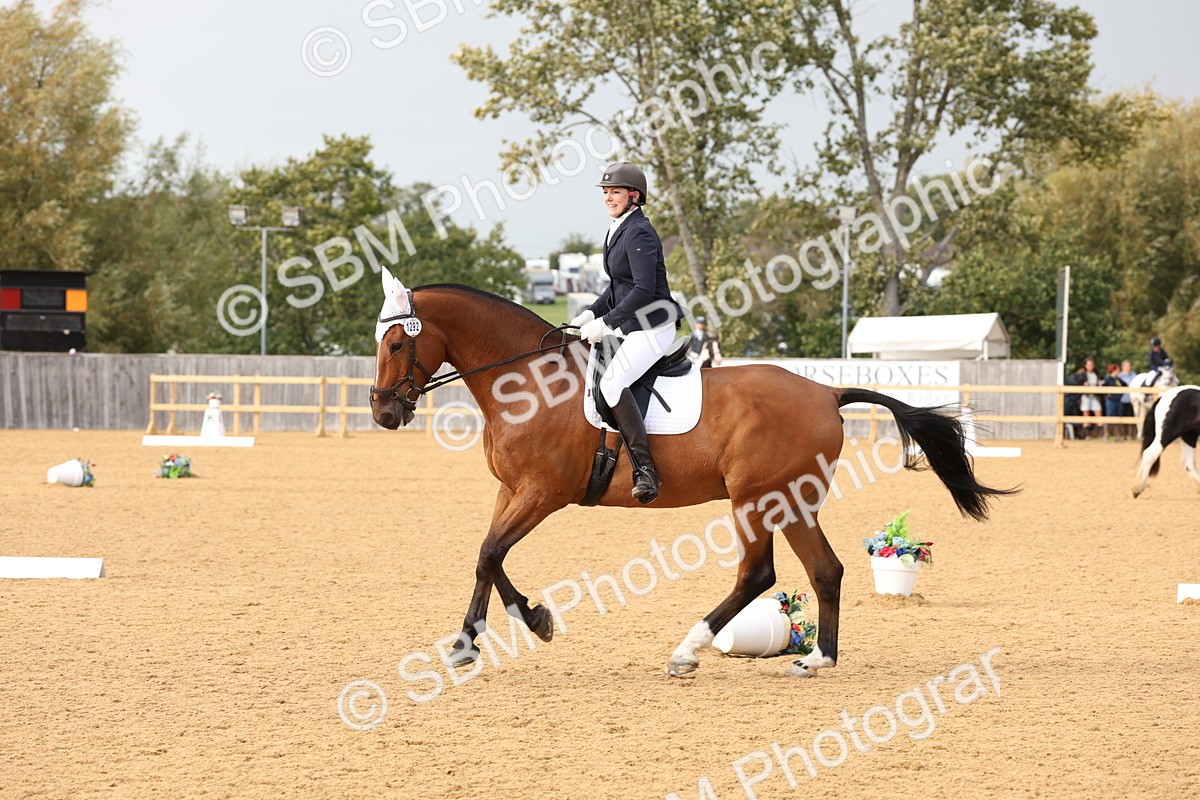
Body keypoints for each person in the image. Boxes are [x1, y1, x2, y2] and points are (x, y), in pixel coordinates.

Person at [569, 162, 683, 504]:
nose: (608, 198)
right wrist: (589, 313)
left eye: (615, 192)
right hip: (633, 326)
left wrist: (605, 324)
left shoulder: (639, 232)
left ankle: (645, 469)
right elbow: (618, 287)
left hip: (654, 324)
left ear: (634, 196)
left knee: (612, 382)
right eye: (605, 193)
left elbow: (644, 290)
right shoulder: (616, 229)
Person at [1078, 357, 1102, 439]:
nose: (1090, 366)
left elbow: (1102, 382)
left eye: (1091, 364)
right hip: (1086, 396)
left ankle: (1100, 434)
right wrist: (1083, 385)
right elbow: (1077, 382)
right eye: (1088, 365)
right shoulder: (1082, 375)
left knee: (1098, 413)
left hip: (1095, 395)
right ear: (1085, 366)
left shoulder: (1097, 374)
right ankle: (1087, 435)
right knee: (1086, 414)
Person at [1100, 363, 1126, 439]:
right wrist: (1106, 393)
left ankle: (1117, 436)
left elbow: (1125, 385)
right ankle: (1106, 434)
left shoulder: (1118, 379)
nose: (1119, 371)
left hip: (1118, 400)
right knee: (1109, 416)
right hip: (1111, 400)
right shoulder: (1108, 379)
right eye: (1118, 369)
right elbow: (1102, 387)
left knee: (1117, 417)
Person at [1118, 359, 1137, 438]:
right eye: (1126, 366)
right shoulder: (1119, 376)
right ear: (1122, 367)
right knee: (1122, 417)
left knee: (1131, 417)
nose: (1127, 367)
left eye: (1128, 366)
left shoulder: (1134, 375)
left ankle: (1130, 434)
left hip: (1132, 399)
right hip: (1122, 399)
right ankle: (1123, 435)